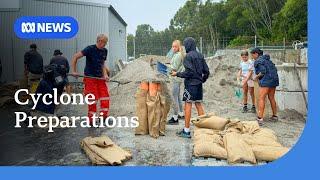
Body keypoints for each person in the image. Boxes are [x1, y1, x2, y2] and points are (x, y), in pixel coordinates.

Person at [171, 37, 210, 138]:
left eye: (185, 45)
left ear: (188, 45)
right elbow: (206, 71)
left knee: (187, 105)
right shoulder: (200, 55)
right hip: (198, 85)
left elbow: (189, 72)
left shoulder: (188, 57)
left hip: (190, 85)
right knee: (198, 104)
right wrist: (203, 80)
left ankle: (186, 131)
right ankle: (203, 129)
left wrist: (177, 74)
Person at [71, 34, 110, 124]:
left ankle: (103, 117)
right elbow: (75, 56)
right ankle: (91, 120)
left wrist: (105, 75)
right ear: (99, 41)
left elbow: (102, 64)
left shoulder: (104, 51)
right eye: (104, 42)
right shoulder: (90, 49)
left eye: (106, 43)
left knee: (105, 97)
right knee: (93, 99)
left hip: (100, 78)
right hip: (90, 78)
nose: (105, 44)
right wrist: (74, 71)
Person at [251, 48, 279, 125]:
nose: (252, 57)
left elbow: (263, 71)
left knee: (261, 98)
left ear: (256, 54)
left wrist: (256, 77)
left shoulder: (258, 61)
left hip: (266, 80)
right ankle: (274, 116)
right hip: (274, 80)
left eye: (252, 55)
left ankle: (260, 118)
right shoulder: (268, 61)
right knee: (272, 98)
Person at [167, 40, 185, 125]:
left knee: (174, 97)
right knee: (177, 96)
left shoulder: (178, 56)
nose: (173, 48)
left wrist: (166, 66)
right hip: (178, 79)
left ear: (179, 47)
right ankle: (181, 113)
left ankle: (175, 118)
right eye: (172, 46)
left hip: (176, 79)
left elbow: (174, 68)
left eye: (175, 46)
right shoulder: (178, 54)